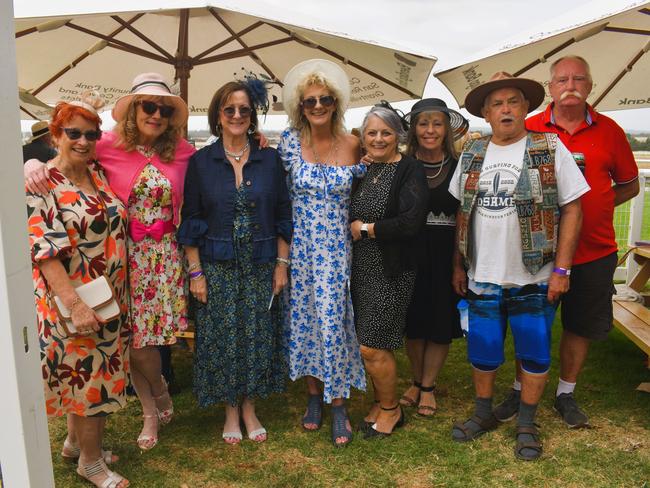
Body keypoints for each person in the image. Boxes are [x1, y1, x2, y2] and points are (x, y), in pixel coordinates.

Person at [25, 72, 194, 451]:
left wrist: (254, 142)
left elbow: (214, 172)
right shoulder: (107, 145)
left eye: (163, 109)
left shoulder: (183, 152)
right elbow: (63, 157)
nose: (155, 114)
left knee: (143, 343)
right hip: (113, 261)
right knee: (125, 343)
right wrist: (28, 165)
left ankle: (160, 392)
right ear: (133, 111)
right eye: (147, 106)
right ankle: (150, 410)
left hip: (159, 259)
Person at [493, 55, 640, 428]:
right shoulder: (529, 127)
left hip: (594, 249)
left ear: (589, 86)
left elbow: (629, 184)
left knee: (579, 325)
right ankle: (518, 387)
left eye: (578, 79)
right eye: (562, 79)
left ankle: (565, 393)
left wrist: (597, 203)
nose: (570, 85)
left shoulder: (610, 131)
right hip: (538, 251)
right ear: (550, 88)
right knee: (531, 322)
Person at [449, 72, 589, 460]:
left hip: (536, 274)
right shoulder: (473, 153)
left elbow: (572, 208)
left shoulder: (549, 147)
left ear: (526, 108)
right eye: (497, 104)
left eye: (513, 101)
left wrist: (562, 270)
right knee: (484, 351)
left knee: (534, 353)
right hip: (482, 275)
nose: (506, 109)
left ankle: (526, 423)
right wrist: (458, 266)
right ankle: (483, 413)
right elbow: (461, 214)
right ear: (485, 113)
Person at [177, 78, 291, 445]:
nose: (238, 115)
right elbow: (191, 219)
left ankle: (249, 407)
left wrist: (281, 264)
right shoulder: (201, 162)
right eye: (230, 109)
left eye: (244, 109)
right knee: (223, 337)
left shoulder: (270, 159)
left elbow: (283, 215)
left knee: (257, 333)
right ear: (218, 115)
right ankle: (229, 409)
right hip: (217, 264)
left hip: (260, 262)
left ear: (253, 114)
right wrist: (196, 273)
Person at [26, 95, 130, 487]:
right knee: (93, 382)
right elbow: (45, 252)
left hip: (107, 294)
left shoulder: (95, 174)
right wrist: (75, 304)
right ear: (56, 134)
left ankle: (74, 443)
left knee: (83, 379)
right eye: (74, 133)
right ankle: (91, 463)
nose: (83, 141)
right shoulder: (41, 183)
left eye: (91, 134)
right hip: (74, 299)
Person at [277, 59, 367, 447]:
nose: (317, 106)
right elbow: (275, 196)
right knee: (305, 324)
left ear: (336, 103)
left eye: (325, 99)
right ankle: (314, 396)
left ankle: (339, 402)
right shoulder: (286, 143)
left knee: (335, 325)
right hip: (300, 250)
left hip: (338, 251)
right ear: (300, 106)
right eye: (310, 101)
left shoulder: (354, 143)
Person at [350, 105, 428, 439]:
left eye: (386, 132)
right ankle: (383, 401)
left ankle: (391, 410)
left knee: (372, 345)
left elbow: (412, 222)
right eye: (372, 133)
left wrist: (367, 229)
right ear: (362, 137)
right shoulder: (364, 169)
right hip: (361, 268)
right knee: (370, 341)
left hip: (391, 269)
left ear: (398, 134)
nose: (379, 139)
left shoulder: (410, 169)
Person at [400, 98, 469, 418]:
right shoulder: (401, 165)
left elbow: (463, 218)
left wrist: (458, 264)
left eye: (437, 123)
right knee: (413, 322)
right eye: (423, 123)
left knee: (440, 320)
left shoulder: (459, 166)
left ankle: (428, 386)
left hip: (445, 253)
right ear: (414, 128)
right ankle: (415, 380)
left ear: (446, 129)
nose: (430, 130)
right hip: (409, 252)